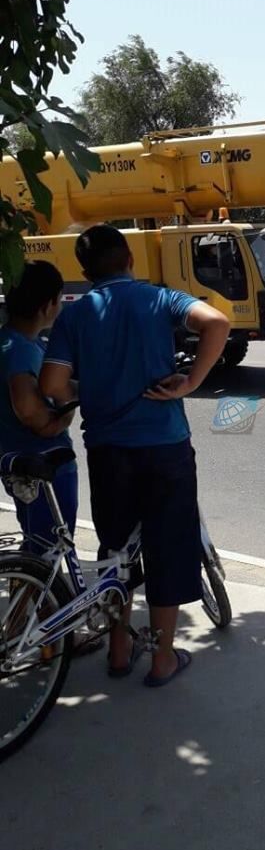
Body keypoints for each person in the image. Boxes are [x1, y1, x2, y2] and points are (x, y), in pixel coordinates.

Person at [40, 224, 230, 686]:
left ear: (83, 270)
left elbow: (50, 386)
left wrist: (96, 390)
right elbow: (217, 323)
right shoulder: (159, 299)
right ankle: (163, 658)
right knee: (168, 548)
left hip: (108, 452)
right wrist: (192, 381)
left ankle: (119, 651)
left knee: (115, 551)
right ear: (129, 257)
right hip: (165, 447)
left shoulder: (76, 315)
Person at [0, 261, 100, 655]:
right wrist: (64, 412)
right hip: (46, 466)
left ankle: (48, 632)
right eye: (58, 300)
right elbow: (32, 412)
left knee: (38, 546)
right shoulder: (22, 353)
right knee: (45, 553)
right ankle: (19, 637)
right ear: (47, 305)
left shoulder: (8, 341)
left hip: (15, 465)